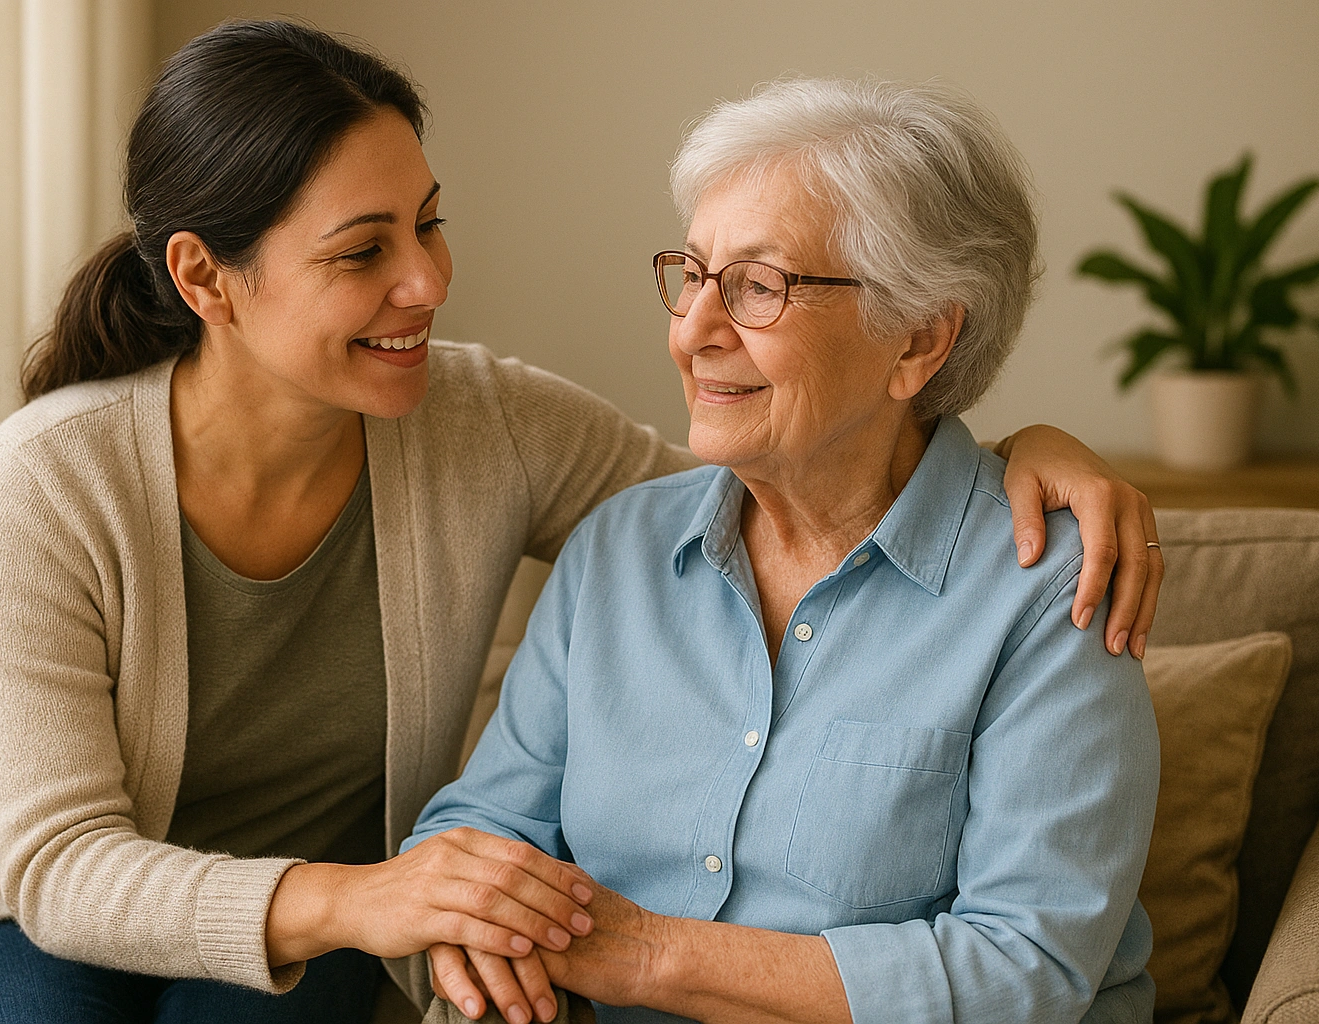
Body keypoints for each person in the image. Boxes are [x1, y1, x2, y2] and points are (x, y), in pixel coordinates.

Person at [0, 23, 1161, 1024]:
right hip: (36, 909)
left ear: (923, 337)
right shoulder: (48, 480)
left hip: (320, 923)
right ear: (205, 277)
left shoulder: (509, 436)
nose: (429, 282)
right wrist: (395, 902)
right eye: (363, 252)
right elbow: (69, 864)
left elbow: (792, 488)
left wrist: (1018, 448)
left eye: (427, 226)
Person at [411, 79, 1160, 1024]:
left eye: (759, 288)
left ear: (920, 340)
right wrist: (469, 923)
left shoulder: (1052, 585)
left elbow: (1025, 971)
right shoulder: (618, 551)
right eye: (692, 275)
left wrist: (637, 954)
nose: (692, 332)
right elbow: (481, 828)